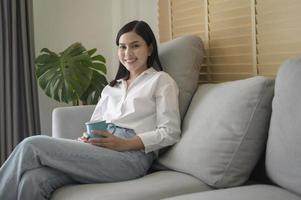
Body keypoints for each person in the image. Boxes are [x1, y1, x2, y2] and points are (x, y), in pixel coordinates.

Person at [0, 20, 181, 200]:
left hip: (131, 157)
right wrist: (87, 138)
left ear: (149, 49)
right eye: (122, 47)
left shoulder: (161, 81)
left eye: (135, 46)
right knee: (33, 180)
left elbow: (170, 132)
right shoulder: (111, 88)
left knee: (31, 145)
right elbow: (96, 125)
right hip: (101, 149)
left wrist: (125, 143)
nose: (127, 53)